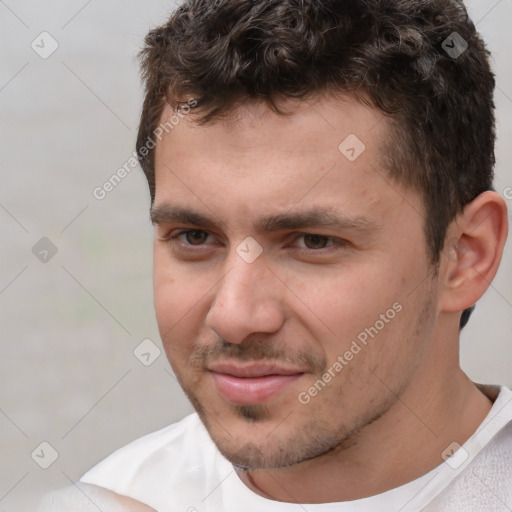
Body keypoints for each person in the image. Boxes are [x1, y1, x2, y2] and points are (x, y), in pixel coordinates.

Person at [42, 0, 512, 510]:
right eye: (195, 237)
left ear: (465, 255)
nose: (234, 317)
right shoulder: (113, 496)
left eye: (313, 241)